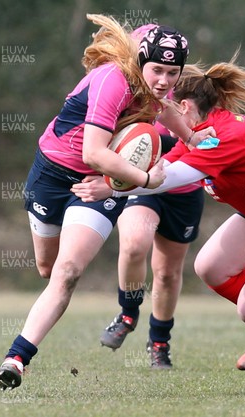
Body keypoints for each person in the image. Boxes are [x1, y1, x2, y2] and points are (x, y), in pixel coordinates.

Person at [72, 55, 245, 394]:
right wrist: (120, 172)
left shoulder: (220, 137)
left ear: (184, 106)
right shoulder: (198, 134)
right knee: (210, 267)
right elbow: (165, 165)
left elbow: (169, 179)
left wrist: (112, 182)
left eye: (166, 106)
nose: (162, 114)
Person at [0, 14, 200, 390]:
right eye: (157, 71)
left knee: (68, 272)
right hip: (53, 176)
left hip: (98, 184)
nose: (165, 81)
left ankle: (16, 359)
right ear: (139, 62)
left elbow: (165, 110)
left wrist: (194, 138)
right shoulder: (113, 82)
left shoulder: (158, 86)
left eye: (173, 73)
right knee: (48, 268)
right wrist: (147, 179)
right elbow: (93, 152)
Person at [99, 122, 204, 369]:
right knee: (135, 244)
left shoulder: (203, 93)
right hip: (141, 184)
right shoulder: (136, 92)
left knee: (167, 274)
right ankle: (128, 313)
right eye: (161, 77)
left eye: (171, 78)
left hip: (184, 193)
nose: (165, 80)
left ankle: (159, 342)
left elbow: (205, 145)